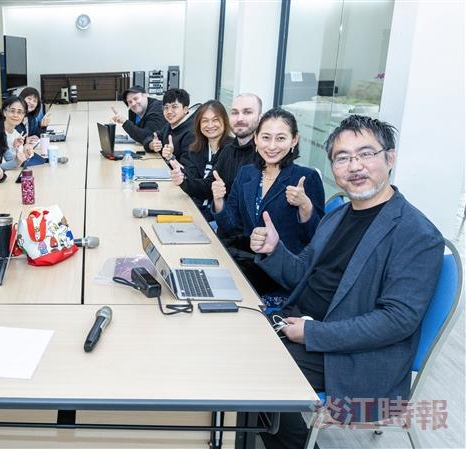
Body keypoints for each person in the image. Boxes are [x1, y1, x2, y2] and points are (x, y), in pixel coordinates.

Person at [251, 116, 444, 449]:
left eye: (366, 154)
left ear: (390, 158)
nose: (355, 166)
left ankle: (285, 439)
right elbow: (303, 274)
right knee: (228, 336)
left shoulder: (417, 234)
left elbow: (397, 321)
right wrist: (274, 250)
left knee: (252, 366)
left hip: (353, 357)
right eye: (342, 158)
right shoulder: (340, 213)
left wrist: (312, 333)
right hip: (302, 323)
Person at [213, 108, 325, 304]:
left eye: (281, 138)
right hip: (247, 265)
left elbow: (316, 239)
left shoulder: (306, 178)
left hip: (281, 274)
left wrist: (305, 206)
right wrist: (219, 201)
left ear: (294, 140)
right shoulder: (247, 173)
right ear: (256, 138)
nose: (272, 146)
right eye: (266, 137)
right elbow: (230, 226)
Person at [169, 99, 234, 221]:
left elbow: (208, 187)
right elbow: (191, 174)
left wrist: (183, 181)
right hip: (195, 207)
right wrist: (178, 170)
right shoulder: (196, 148)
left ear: (224, 121)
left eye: (215, 120)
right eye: (205, 121)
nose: (210, 125)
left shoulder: (231, 149)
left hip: (218, 217)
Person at [149, 88, 196, 162]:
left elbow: (188, 171)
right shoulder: (170, 125)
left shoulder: (191, 133)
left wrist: (171, 157)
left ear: (185, 109)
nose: (169, 111)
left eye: (174, 107)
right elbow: (151, 137)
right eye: (166, 107)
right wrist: (152, 145)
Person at [2, 96, 36, 165]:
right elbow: (3, 166)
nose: (15, 115)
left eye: (20, 112)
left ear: (24, 115)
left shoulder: (17, 135)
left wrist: (25, 155)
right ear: (4, 112)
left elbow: (18, 162)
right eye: (12, 111)